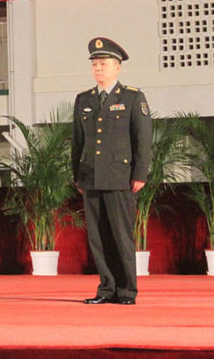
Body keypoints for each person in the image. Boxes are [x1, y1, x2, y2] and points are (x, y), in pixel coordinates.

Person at [72, 37, 152, 306]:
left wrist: (140, 173)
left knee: (120, 235)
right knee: (98, 238)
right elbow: (77, 142)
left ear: (117, 67)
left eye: (103, 64)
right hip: (91, 177)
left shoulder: (131, 97)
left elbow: (142, 138)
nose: (98, 69)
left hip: (120, 177)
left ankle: (127, 291)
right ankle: (106, 288)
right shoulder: (84, 99)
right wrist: (77, 175)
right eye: (95, 64)